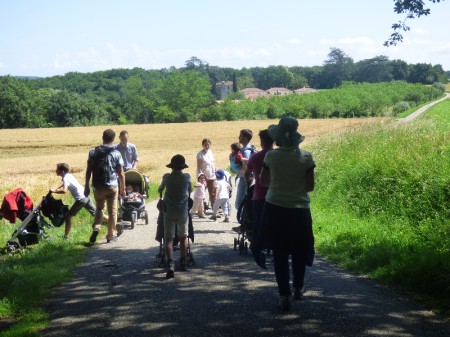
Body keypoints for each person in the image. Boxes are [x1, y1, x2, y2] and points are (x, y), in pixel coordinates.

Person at [259, 116, 315, 311]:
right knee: (299, 251)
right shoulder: (306, 157)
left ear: (278, 138)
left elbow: (263, 182)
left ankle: (284, 295)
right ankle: (298, 288)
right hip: (300, 211)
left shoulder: (270, 157)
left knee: (280, 253)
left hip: (275, 208)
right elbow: (310, 186)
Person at [85, 129, 126, 244]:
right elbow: (121, 173)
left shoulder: (92, 152)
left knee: (99, 208)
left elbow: (88, 171)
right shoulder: (116, 153)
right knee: (112, 211)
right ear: (113, 139)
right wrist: (123, 188)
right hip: (112, 186)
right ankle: (110, 235)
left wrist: (86, 186)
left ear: (102, 137)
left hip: (97, 186)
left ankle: (96, 227)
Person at [50, 163, 108, 239]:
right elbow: (65, 184)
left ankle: (65, 237)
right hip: (86, 196)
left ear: (62, 171)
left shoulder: (65, 178)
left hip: (81, 199)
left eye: (57, 169)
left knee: (68, 217)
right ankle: (115, 223)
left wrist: (54, 191)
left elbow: (64, 190)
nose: (56, 171)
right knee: (97, 214)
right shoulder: (69, 175)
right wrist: (57, 188)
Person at [158, 154, 192, 279]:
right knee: (183, 237)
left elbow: (160, 190)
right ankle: (183, 260)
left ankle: (170, 263)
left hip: (169, 210)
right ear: (183, 167)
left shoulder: (167, 177)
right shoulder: (187, 177)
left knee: (169, 239)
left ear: (171, 166)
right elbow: (190, 190)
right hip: (182, 211)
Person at [240, 129, 274, 234]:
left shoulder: (255, 157)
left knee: (258, 222)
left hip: (259, 196)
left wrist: (248, 182)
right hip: (276, 196)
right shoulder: (278, 156)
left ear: (261, 141)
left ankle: (257, 244)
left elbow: (246, 174)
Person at [235, 129, 255, 210]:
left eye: (241, 136)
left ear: (246, 138)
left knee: (239, 203)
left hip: (244, 177)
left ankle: (245, 219)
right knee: (244, 200)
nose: (239, 137)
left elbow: (247, 165)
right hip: (247, 177)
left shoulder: (246, 150)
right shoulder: (248, 148)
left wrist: (238, 171)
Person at [196, 138, 216, 209]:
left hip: (212, 176)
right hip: (203, 177)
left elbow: (213, 163)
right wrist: (201, 176)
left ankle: (215, 209)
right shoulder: (200, 154)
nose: (207, 146)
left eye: (208, 145)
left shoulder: (210, 152)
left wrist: (215, 173)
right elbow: (199, 166)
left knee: (213, 193)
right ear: (202, 145)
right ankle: (201, 209)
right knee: (202, 193)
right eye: (205, 145)